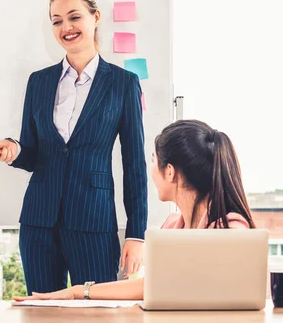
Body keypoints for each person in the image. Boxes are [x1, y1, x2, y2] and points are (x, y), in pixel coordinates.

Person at [0, 0, 147, 294]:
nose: (66, 27)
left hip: (94, 221)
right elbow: (33, 153)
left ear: (95, 17)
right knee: (41, 316)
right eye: (57, 20)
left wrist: (136, 234)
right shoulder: (39, 82)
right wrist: (14, 151)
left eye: (74, 17)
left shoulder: (123, 83)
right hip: (39, 221)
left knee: (98, 319)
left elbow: (134, 164)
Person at [14, 119, 255, 302]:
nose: (150, 170)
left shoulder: (231, 228)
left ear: (169, 172)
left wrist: (79, 292)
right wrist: (75, 293)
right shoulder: (172, 226)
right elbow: (152, 286)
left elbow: (163, 286)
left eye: (153, 160)